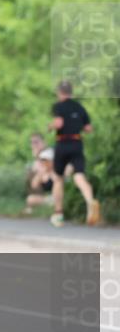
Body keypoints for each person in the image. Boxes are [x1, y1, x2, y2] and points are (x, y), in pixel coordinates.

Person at [48, 80, 99, 227]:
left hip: (63, 143)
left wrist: (50, 126)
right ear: (71, 92)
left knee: (58, 178)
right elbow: (88, 128)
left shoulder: (58, 106)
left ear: (59, 92)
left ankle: (58, 214)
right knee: (79, 175)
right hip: (77, 143)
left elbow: (59, 123)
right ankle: (90, 202)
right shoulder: (79, 107)